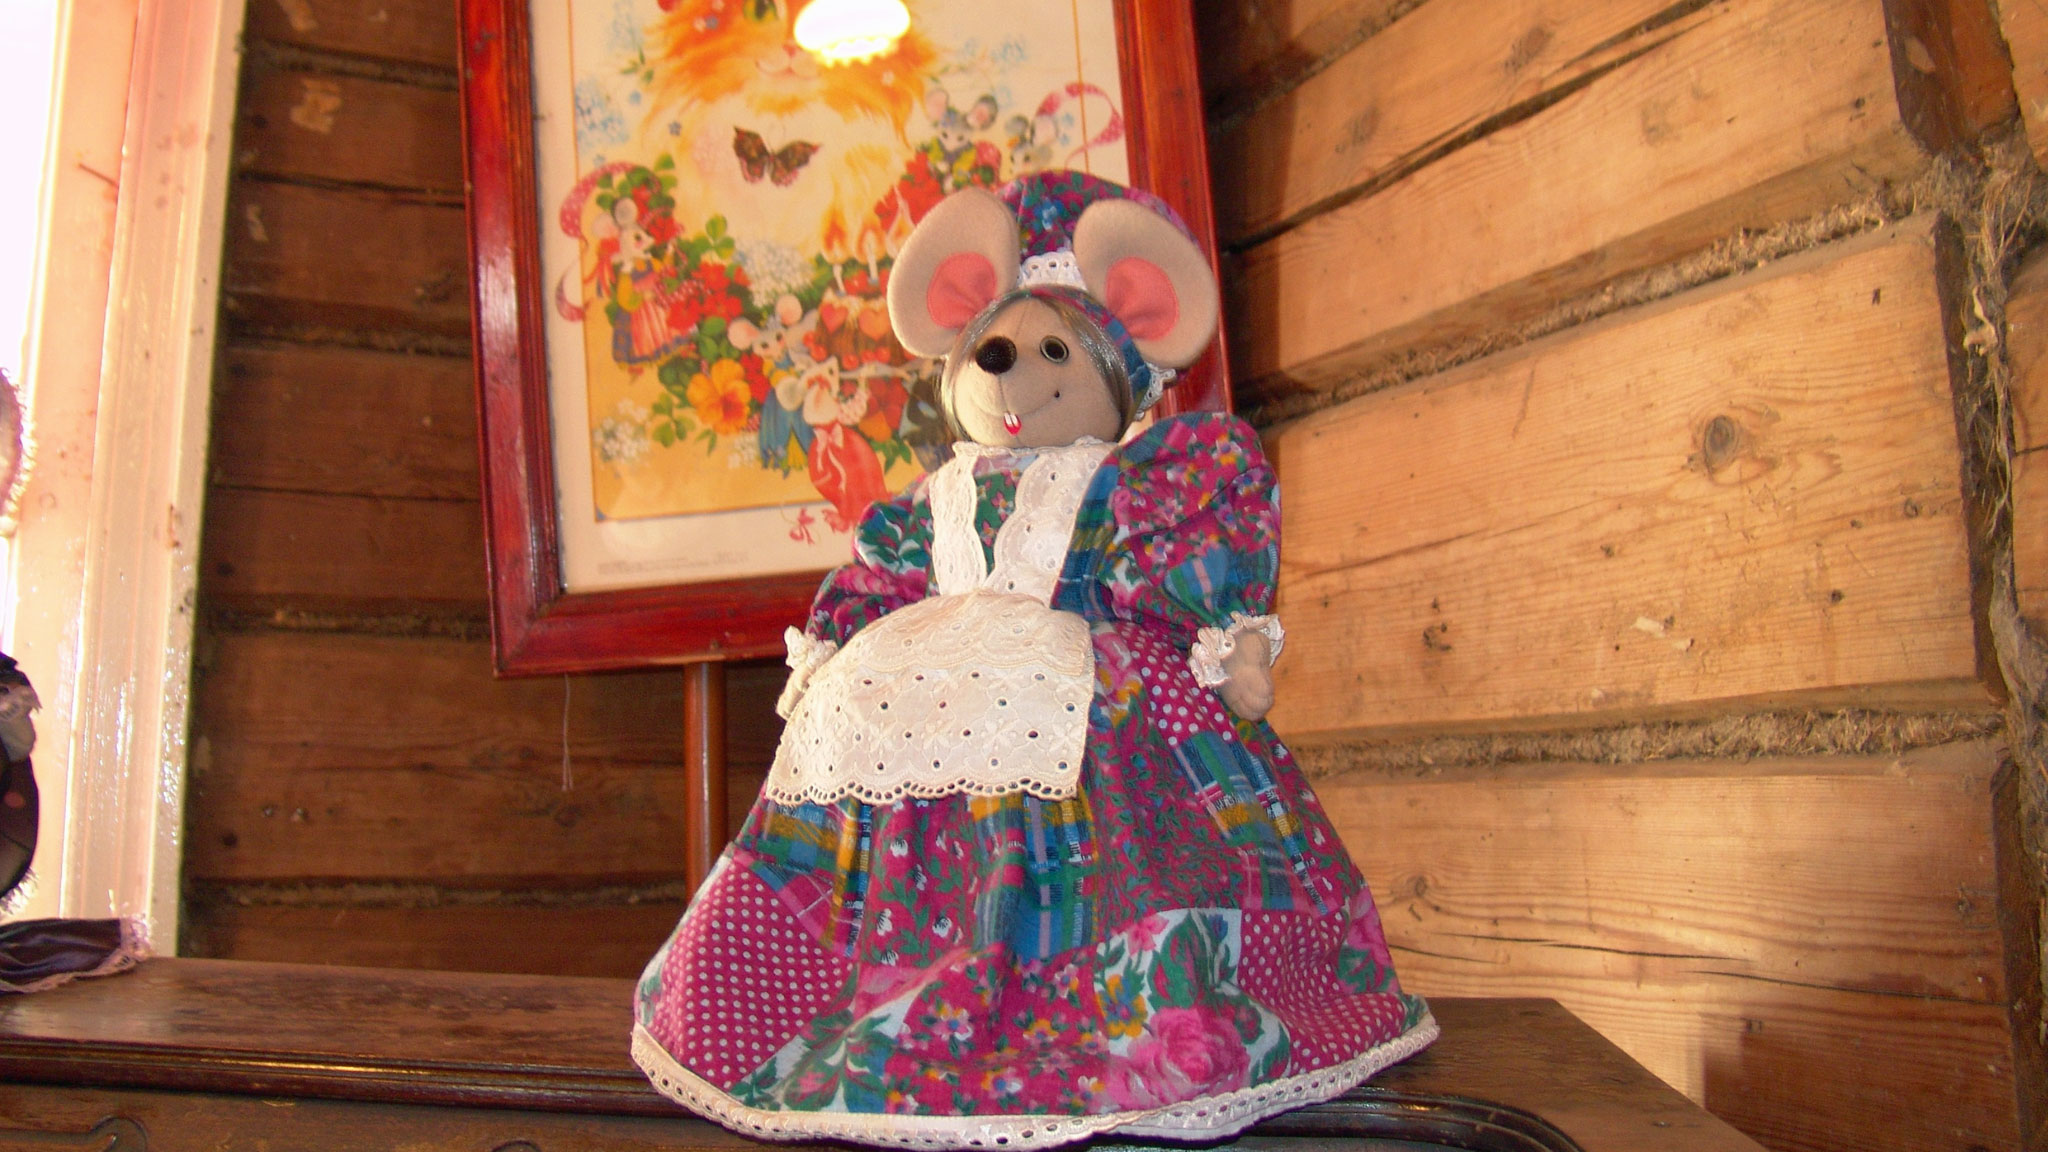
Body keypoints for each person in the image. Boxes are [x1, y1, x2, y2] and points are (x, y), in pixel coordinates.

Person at [631, 171, 1434, 1149]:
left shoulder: (1137, 483)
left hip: (1099, 712)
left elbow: (1182, 573)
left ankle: (1115, 1021)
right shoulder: (926, 503)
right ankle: (836, 1005)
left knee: (1132, 849)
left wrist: (1231, 646)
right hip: (912, 708)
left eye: (1053, 351)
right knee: (859, 815)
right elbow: (879, 579)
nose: (1012, 373)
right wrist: (830, 657)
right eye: (994, 349)